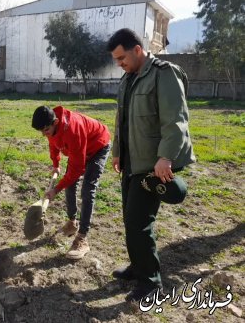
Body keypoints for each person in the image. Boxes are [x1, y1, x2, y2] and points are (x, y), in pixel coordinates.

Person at [106, 28, 195, 302]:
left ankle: (150, 283)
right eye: (116, 60)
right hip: (132, 163)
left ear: (137, 49)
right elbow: (122, 121)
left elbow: (176, 120)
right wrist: (118, 153)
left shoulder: (163, 74)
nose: (119, 63)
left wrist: (166, 156)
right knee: (129, 219)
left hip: (151, 166)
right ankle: (137, 266)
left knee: (138, 223)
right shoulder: (127, 79)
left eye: (122, 57)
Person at [31, 105, 111, 260]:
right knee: (70, 185)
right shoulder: (50, 126)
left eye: (45, 130)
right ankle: (72, 222)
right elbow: (53, 142)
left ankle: (82, 238)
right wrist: (56, 164)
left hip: (97, 147)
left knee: (87, 190)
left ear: (55, 122)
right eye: (41, 131)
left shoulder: (73, 130)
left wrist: (56, 189)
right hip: (80, 148)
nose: (43, 134)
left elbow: (77, 169)